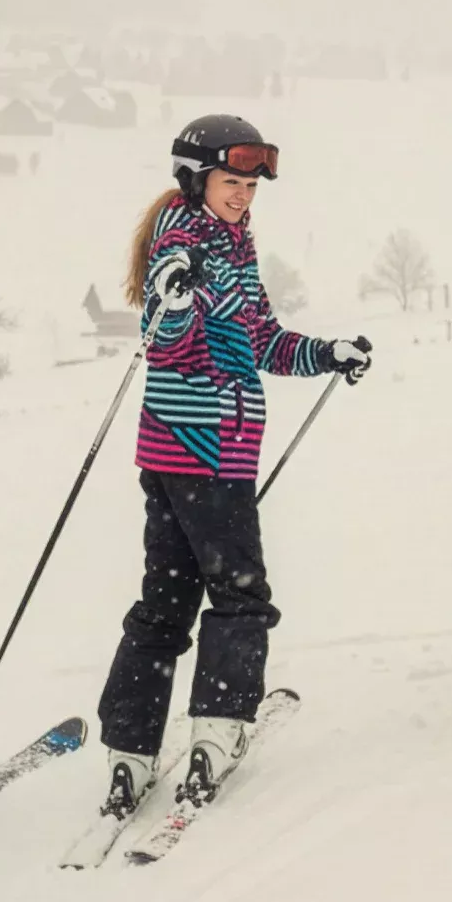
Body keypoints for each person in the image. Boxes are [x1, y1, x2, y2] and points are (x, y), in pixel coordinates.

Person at [92, 115, 372, 820]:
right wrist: (177, 296)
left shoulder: (230, 242)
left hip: (184, 456)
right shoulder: (182, 243)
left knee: (168, 600)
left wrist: (326, 353)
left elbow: (259, 341)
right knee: (239, 596)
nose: (243, 195)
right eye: (231, 182)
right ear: (196, 180)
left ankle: (130, 746)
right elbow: (169, 343)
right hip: (204, 454)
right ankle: (215, 732)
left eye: (250, 185)